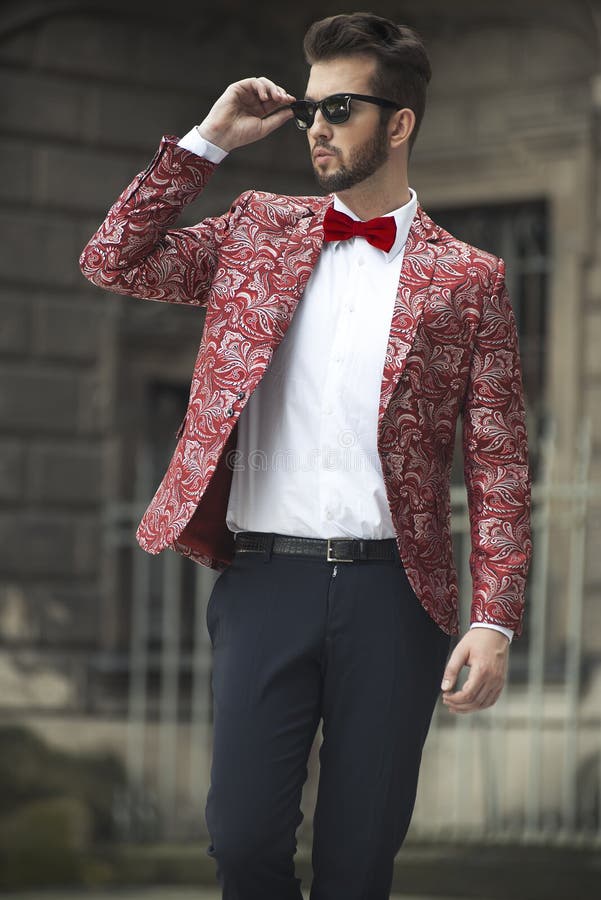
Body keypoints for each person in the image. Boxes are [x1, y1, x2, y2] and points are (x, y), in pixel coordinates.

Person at [79, 12, 532, 900]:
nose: (315, 127)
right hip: (264, 583)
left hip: (395, 595)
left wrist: (495, 618)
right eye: (308, 110)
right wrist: (208, 141)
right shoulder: (255, 229)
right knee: (242, 844)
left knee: (357, 867)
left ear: (398, 123)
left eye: (340, 109)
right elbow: (111, 259)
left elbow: (499, 461)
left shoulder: (469, 278)